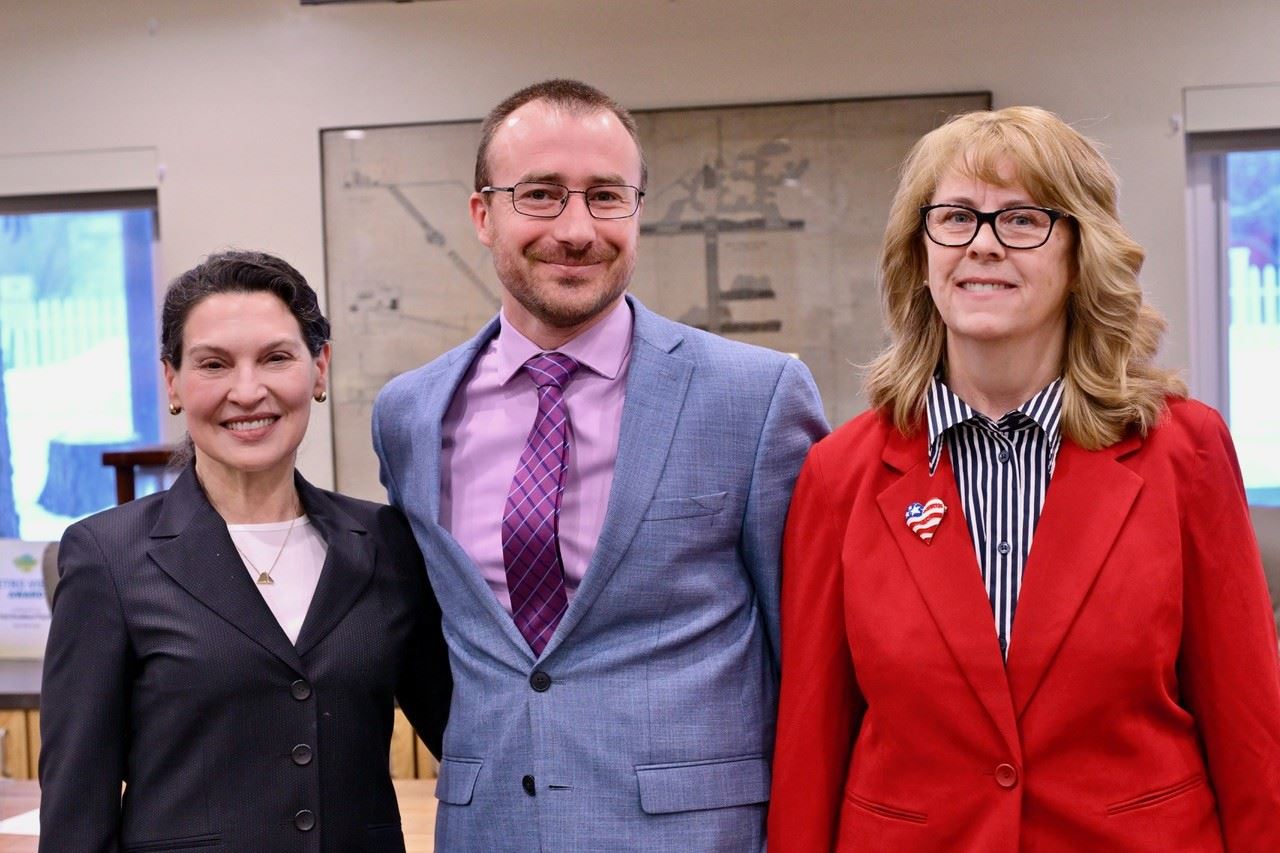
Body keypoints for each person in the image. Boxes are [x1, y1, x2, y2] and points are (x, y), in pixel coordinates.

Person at [768, 106, 1280, 851]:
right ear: (920, 254)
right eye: (954, 218)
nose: (982, 245)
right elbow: (811, 743)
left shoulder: (1185, 452)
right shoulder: (838, 474)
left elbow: (1252, 732)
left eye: (1021, 220)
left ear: (1080, 252)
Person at [373, 79, 828, 852]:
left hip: (698, 833)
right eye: (542, 194)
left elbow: (812, 661)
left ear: (638, 209)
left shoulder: (753, 399)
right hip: (490, 830)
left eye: (606, 196)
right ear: (483, 215)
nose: (578, 228)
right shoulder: (410, 414)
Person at [40, 250, 451, 853]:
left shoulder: (386, 544)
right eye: (214, 364)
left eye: (276, 358)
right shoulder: (108, 557)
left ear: (319, 369)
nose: (248, 390)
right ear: (174, 381)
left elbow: (462, 734)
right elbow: (78, 805)